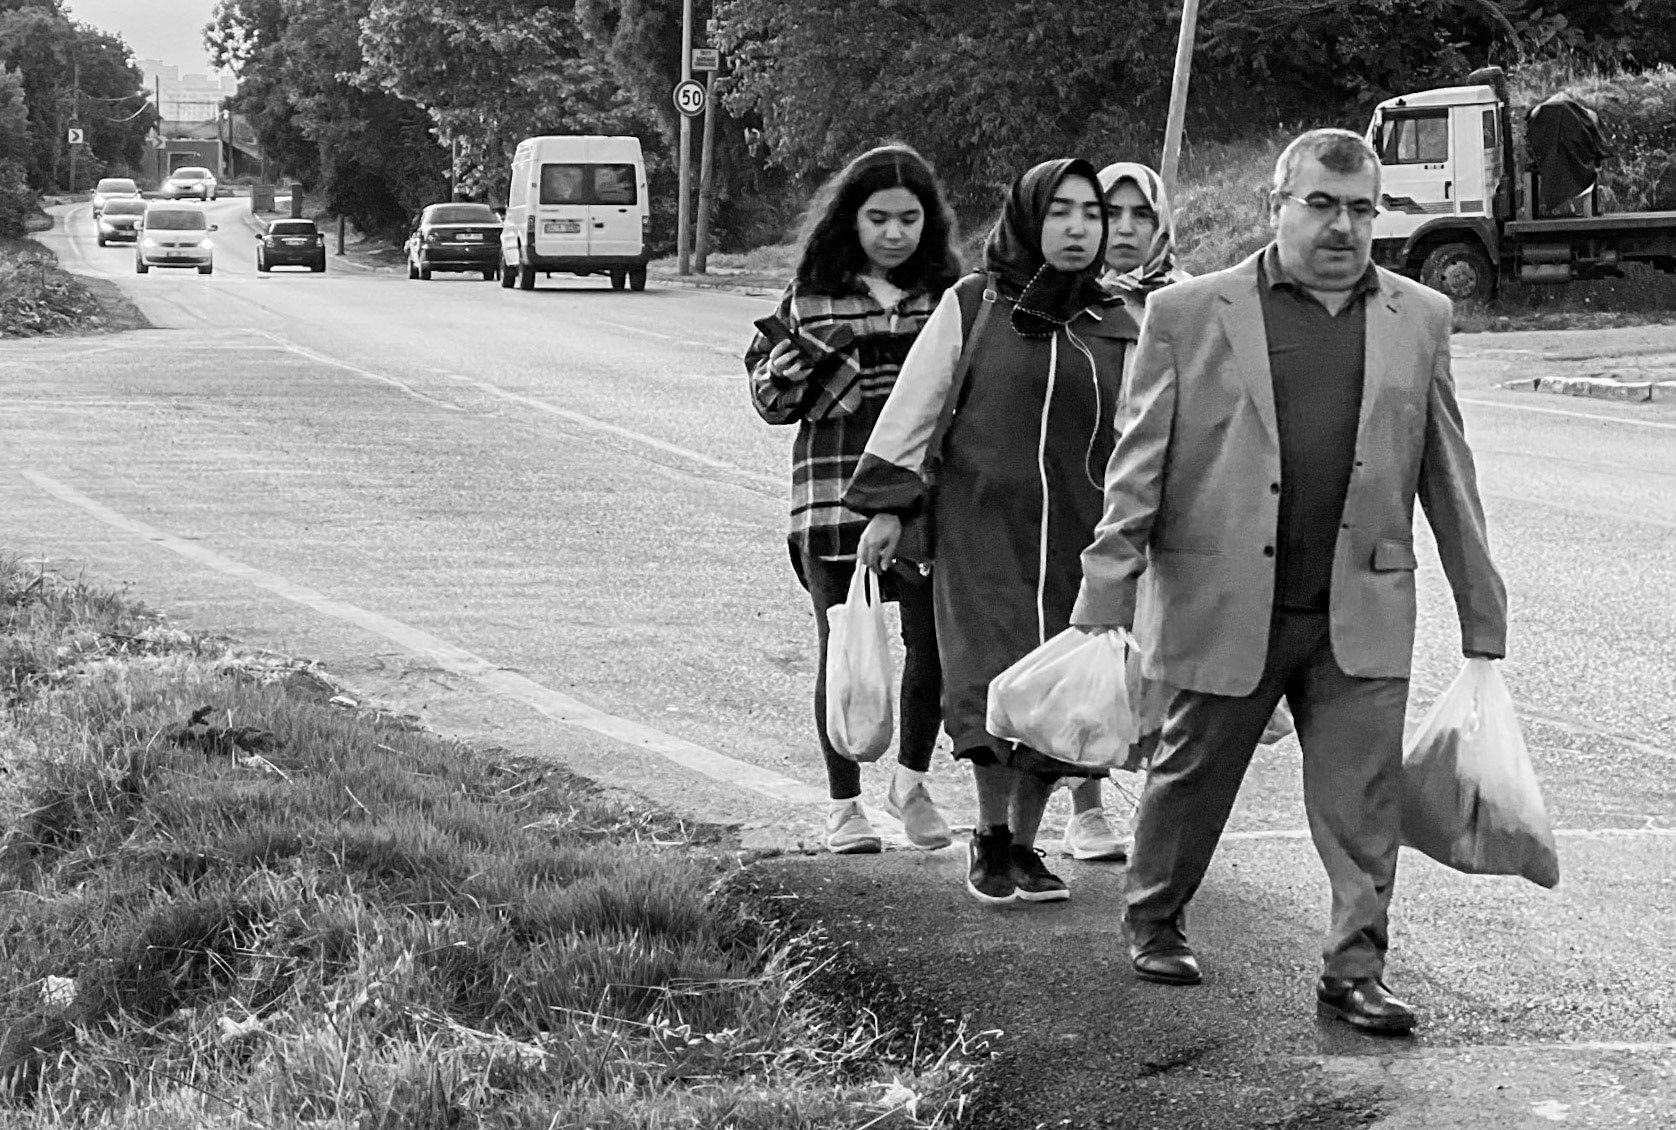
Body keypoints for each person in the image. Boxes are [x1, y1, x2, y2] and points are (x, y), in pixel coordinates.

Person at [1071, 128, 1507, 1035]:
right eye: (1321, 204)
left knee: (1364, 801)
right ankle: (1155, 917)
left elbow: (1447, 471)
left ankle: (1355, 971)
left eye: (1360, 209)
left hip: (1360, 602)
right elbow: (1138, 463)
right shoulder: (1191, 313)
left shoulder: (1420, 316)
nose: (1343, 227)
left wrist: (1481, 609)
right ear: (1278, 208)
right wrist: (1106, 592)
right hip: (1227, 600)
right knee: (1191, 777)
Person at [845, 159, 1138, 905]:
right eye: (1061, 212)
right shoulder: (974, 305)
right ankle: (990, 835)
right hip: (980, 531)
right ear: (1029, 220)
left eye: (1091, 214)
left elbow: (1149, 433)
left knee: (1057, 690)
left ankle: (1028, 846)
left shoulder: (1120, 323)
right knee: (989, 677)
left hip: (1083, 536)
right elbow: (917, 404)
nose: (1079, 228)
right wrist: (887, 507)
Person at [746, 144, 963, 856]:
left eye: (909, 218)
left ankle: (913, 782)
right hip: (830, 500)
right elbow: (772, 403)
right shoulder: (809, 300)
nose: (895, 233)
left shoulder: (950, 300)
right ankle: (844, 807)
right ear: (852, 219)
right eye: (879, 219)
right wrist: (781, 374)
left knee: (930, 643)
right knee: (843, 643)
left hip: (924, 502)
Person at [1060, 160, 1191, 864]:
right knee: (1095, 653)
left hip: (1170, 505)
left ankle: (1162, 808)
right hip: (1088, 497)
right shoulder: (1068, 302)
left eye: (1144, 215)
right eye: (1115, 214)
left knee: (1162, 659)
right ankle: (1083, 805)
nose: (1129, 230)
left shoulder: (1189, 300)